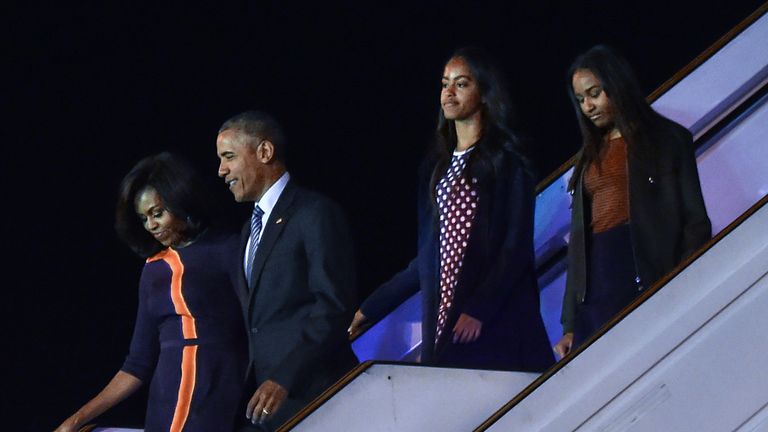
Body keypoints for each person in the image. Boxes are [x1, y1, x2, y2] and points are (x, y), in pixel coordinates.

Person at [348, 47, 554, 371]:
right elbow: (430, 256)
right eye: (445, 84)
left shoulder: (506, 162)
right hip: (445, 325)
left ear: (484, 93)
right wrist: (370, 307)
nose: (449, 92)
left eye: (462, 84)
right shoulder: (435, 169)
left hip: (490, 320)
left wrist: (480, 308)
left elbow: (514, 247)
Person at [55, 153, 247, 431]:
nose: (151, 226)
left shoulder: (227, 249)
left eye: (157, 213)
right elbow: (138, 363)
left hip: (214, 396)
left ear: (181, 201)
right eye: (144, 218)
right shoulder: (154, 269)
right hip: (164, 401)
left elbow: (256, 327)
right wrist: (76, 420)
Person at [553, 45, 712, 359]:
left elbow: (696, 222)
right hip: (598, 283)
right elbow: (579, 246)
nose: (588, 106)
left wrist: (681, 283)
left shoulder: (667, 140)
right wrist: (570, 323)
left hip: (642, 271)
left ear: (616, 85)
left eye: (594, 93)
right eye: (581, 99)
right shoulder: (588, 158)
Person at [215, 110, 358, 430]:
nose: (222, 170)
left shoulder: (314, 213)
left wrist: (285, 377)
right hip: (269, 407)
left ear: (264, 152)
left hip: (317, 396)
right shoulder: (248, 231)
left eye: (229, 157)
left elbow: (334, 306)